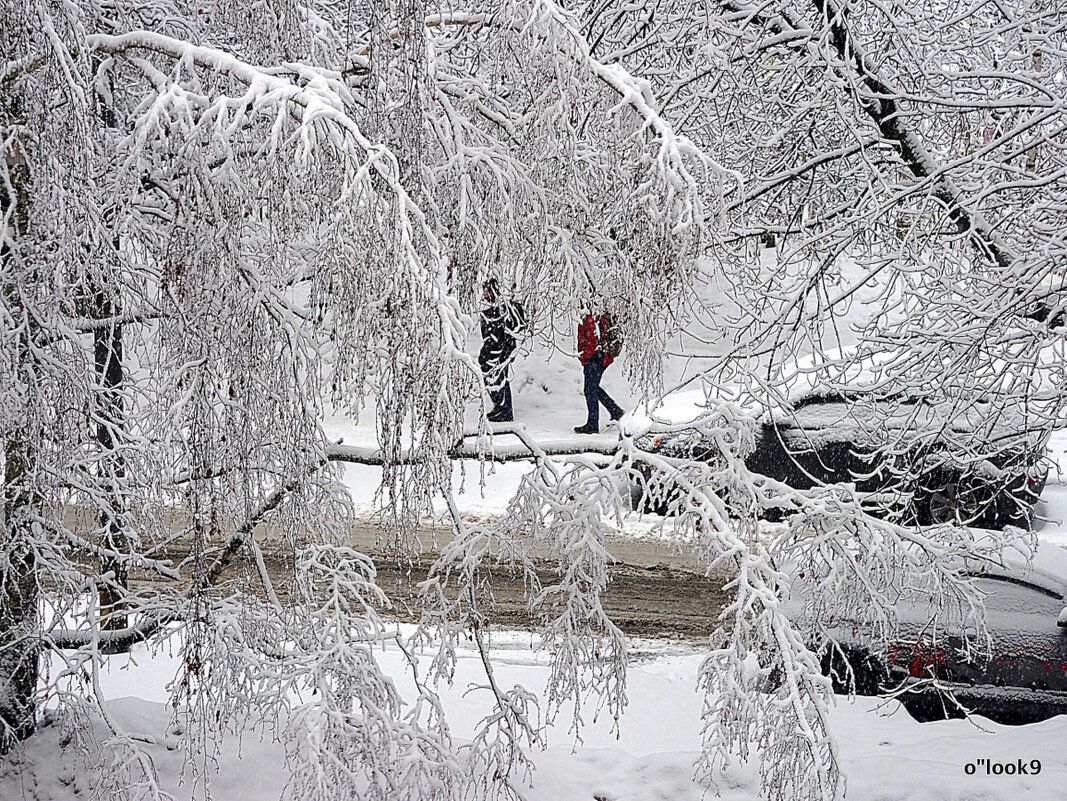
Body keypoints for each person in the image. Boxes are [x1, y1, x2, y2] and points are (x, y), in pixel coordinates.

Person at [479, 278, 525, 423]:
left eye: (486, 290)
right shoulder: (494, 306)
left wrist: (493, 348)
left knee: (500, 378)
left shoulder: (501, 308)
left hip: (500, 349)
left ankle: (505, 410)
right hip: (495, 348)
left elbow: (498, 333)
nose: (484, 293)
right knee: (493, 377)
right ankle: (500, 406)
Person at [574, 311, 625, 434]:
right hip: (600, 356)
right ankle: (615, 411)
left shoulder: (590, 316)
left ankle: (593, 424)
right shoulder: (597, 312)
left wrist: (584, 356)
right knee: (592, 388)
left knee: (590, 390)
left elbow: (591, 339)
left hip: (595, 357)